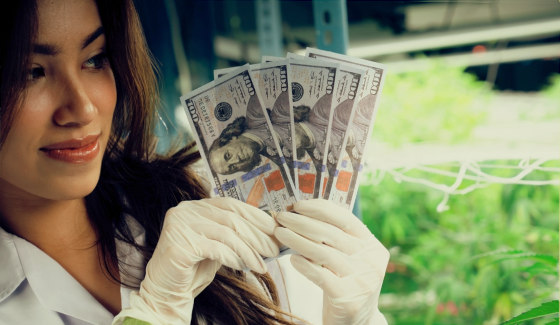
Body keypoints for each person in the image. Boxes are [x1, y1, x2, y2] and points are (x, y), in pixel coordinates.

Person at [0, 1, 390, 325]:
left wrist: (361, 318)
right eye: (31, 73)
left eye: (95, 59)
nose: (82, 108)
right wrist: (157, 312)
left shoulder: (209, 197)